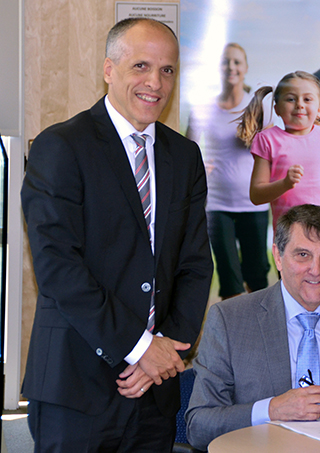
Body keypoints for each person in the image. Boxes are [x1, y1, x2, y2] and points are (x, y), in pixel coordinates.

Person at [21, 18, 213, 451]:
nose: (155, 83)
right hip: (76, 388)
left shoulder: (184, 155)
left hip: (154, 391)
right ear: (109, 69)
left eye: (167, 70)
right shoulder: (61, 146)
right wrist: (139, 346)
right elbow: (57, 267)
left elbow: (196, 264)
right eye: (141, 66)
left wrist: (164, 351)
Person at [185, 204, 320, 450]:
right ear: (278, 257)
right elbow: (199, 425)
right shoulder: (230, 320)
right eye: (303, 255)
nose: (316, 270)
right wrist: (271, 410)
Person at [186, 43, 270, 298]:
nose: (231, 67)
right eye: (225, 62)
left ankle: (258, 329)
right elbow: (188, 151)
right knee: (228, 274)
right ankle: (232, 332)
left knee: (257, 277)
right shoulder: (204, 108)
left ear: (244, 68)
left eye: (236, 62)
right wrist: (201, 167)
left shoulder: (258, 107)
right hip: (216, 204)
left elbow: (272, 150)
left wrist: (255, 138)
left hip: (253, 203)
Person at [237, 71, 320, 231]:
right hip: (289, 236)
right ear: (276, 108)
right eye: (291, 99)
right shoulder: (267, 140)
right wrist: (285, 184)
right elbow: (256, 195)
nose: (299, 104)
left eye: (307, 99)